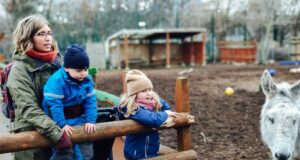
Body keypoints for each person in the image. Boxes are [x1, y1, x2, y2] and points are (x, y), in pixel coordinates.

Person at [7, 14, 72, 160]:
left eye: (49, 33)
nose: (48, 38)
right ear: (28, 38)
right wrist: (57, 134)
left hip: (59, 130)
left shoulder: (57, 62)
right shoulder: (19, 69)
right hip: (32, 139)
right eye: (41, 34)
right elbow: (29, 109)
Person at [42, 44, 97, 160]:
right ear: (66, 68)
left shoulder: (87, 79)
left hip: (78, 118)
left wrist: (90, 120)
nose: (83, 73)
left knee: (85, 151)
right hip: (58, 119)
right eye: (79, 70)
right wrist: (61, 124)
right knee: (65, 151)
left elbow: (90, 101)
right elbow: (54, 106)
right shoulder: (56, 81)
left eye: (86, 69)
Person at [116, 69, 178, 160]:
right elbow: (153, 120)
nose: (149, 93)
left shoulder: (149, 104)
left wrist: (157, 101)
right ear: (134, 93)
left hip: (149, 151)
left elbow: (164, 106)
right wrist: (165, 114)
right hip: (138, 154)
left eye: (149, 89)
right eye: (144, 91)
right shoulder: (133, 109)